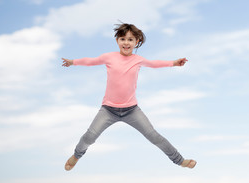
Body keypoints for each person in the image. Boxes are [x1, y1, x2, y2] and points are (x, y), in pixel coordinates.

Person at [62, 23, 197, 171]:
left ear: (136, 42)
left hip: (132, 110)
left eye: (130, 39)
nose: (126, 43)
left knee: (154, 137)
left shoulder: (138, 60)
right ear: (117, 41)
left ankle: (180, 160)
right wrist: (73, 62)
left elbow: (154, 64)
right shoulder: (109, 57)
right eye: (123, 39)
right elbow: (90, 61)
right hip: (108, 110)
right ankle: (76, 156)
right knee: (90, 137)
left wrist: (174, 63)